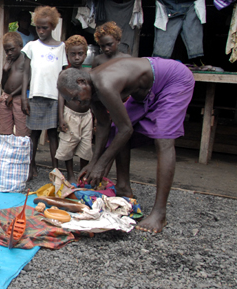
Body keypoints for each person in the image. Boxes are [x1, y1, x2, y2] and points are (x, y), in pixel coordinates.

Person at [57, 57, 195, 233]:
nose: (76, 102)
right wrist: (94, 163)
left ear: (82, 81)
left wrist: (102, 164)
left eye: (75, 96)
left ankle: (159, 214)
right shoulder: (90, 92)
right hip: (143, 94)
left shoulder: (104, 85)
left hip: (172, 80)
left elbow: (126, 130)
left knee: (163, 139)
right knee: (115, 130)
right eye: (71, 99)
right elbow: (104, 125)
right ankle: (123, 188)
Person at [21, 6, 67, 180]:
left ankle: (55, 170)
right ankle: (31, 166)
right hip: (35, 95)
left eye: (45, 28)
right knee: (34, 133)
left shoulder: (61, 47)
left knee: (53, 134)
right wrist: (24, 97)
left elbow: (62, 75)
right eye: (38, 27)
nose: (41, 31)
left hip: (54, 97)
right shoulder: (31, 46)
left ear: (53, 27)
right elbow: (26, 72)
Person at [55, 35, 92, 183]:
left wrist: (94, 118)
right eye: (73, 54)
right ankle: (70, 174)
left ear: (85, 53)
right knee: (68, 145)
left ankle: (82, 174)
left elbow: (92, 97)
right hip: (70, 114)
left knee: (86, 147)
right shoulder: (64, 74)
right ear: (67, 55)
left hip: (87, 115)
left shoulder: (89, 74)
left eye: (80, 54)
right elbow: (61, 96)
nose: (77, 57)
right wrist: (61, 118)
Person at [0, 32, 30, 137]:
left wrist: (13, 94)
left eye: (12, 49)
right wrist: (5, 70)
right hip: (6, 97)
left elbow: (28, 80)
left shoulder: (25, 59)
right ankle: (8, 151)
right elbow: (3, 85)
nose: (10, 53)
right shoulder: (9, 60)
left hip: (19, 97)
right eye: (7, 51)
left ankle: (21, 151)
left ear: (20, 46)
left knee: (22, 130)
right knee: (5, 129)